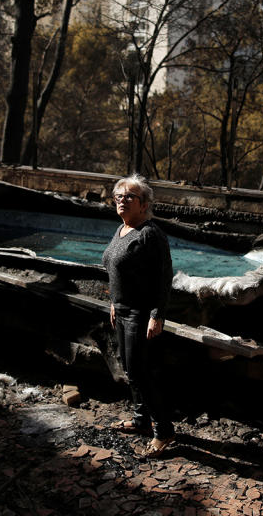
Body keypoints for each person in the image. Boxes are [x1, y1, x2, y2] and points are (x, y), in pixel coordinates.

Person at [102, 174, 175, 458]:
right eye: (118, 196)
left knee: (140, 373)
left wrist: (157, 315)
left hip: (140, 314)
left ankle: (164, 431)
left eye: (129, 196)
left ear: (144, 204)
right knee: (132, 372)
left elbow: (164, 278)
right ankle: (141, 420)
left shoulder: (150, 234)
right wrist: (113, 301)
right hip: (121, 310)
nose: (122, 200)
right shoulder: (122, 229)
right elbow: (117, 270)